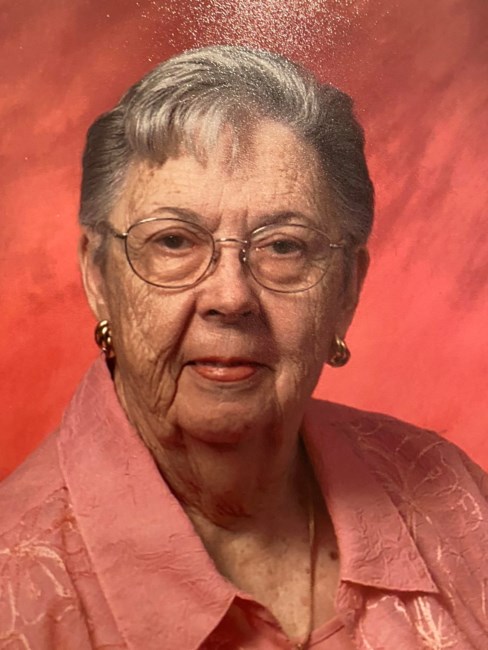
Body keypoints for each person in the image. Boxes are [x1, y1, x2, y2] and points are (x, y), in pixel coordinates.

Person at [0, 46, 486, 650]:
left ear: (347, 290)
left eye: (284, 246)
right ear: (98, 276)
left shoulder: (454, 499)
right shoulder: (16, 590)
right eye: (174, 241)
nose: (230, 297)